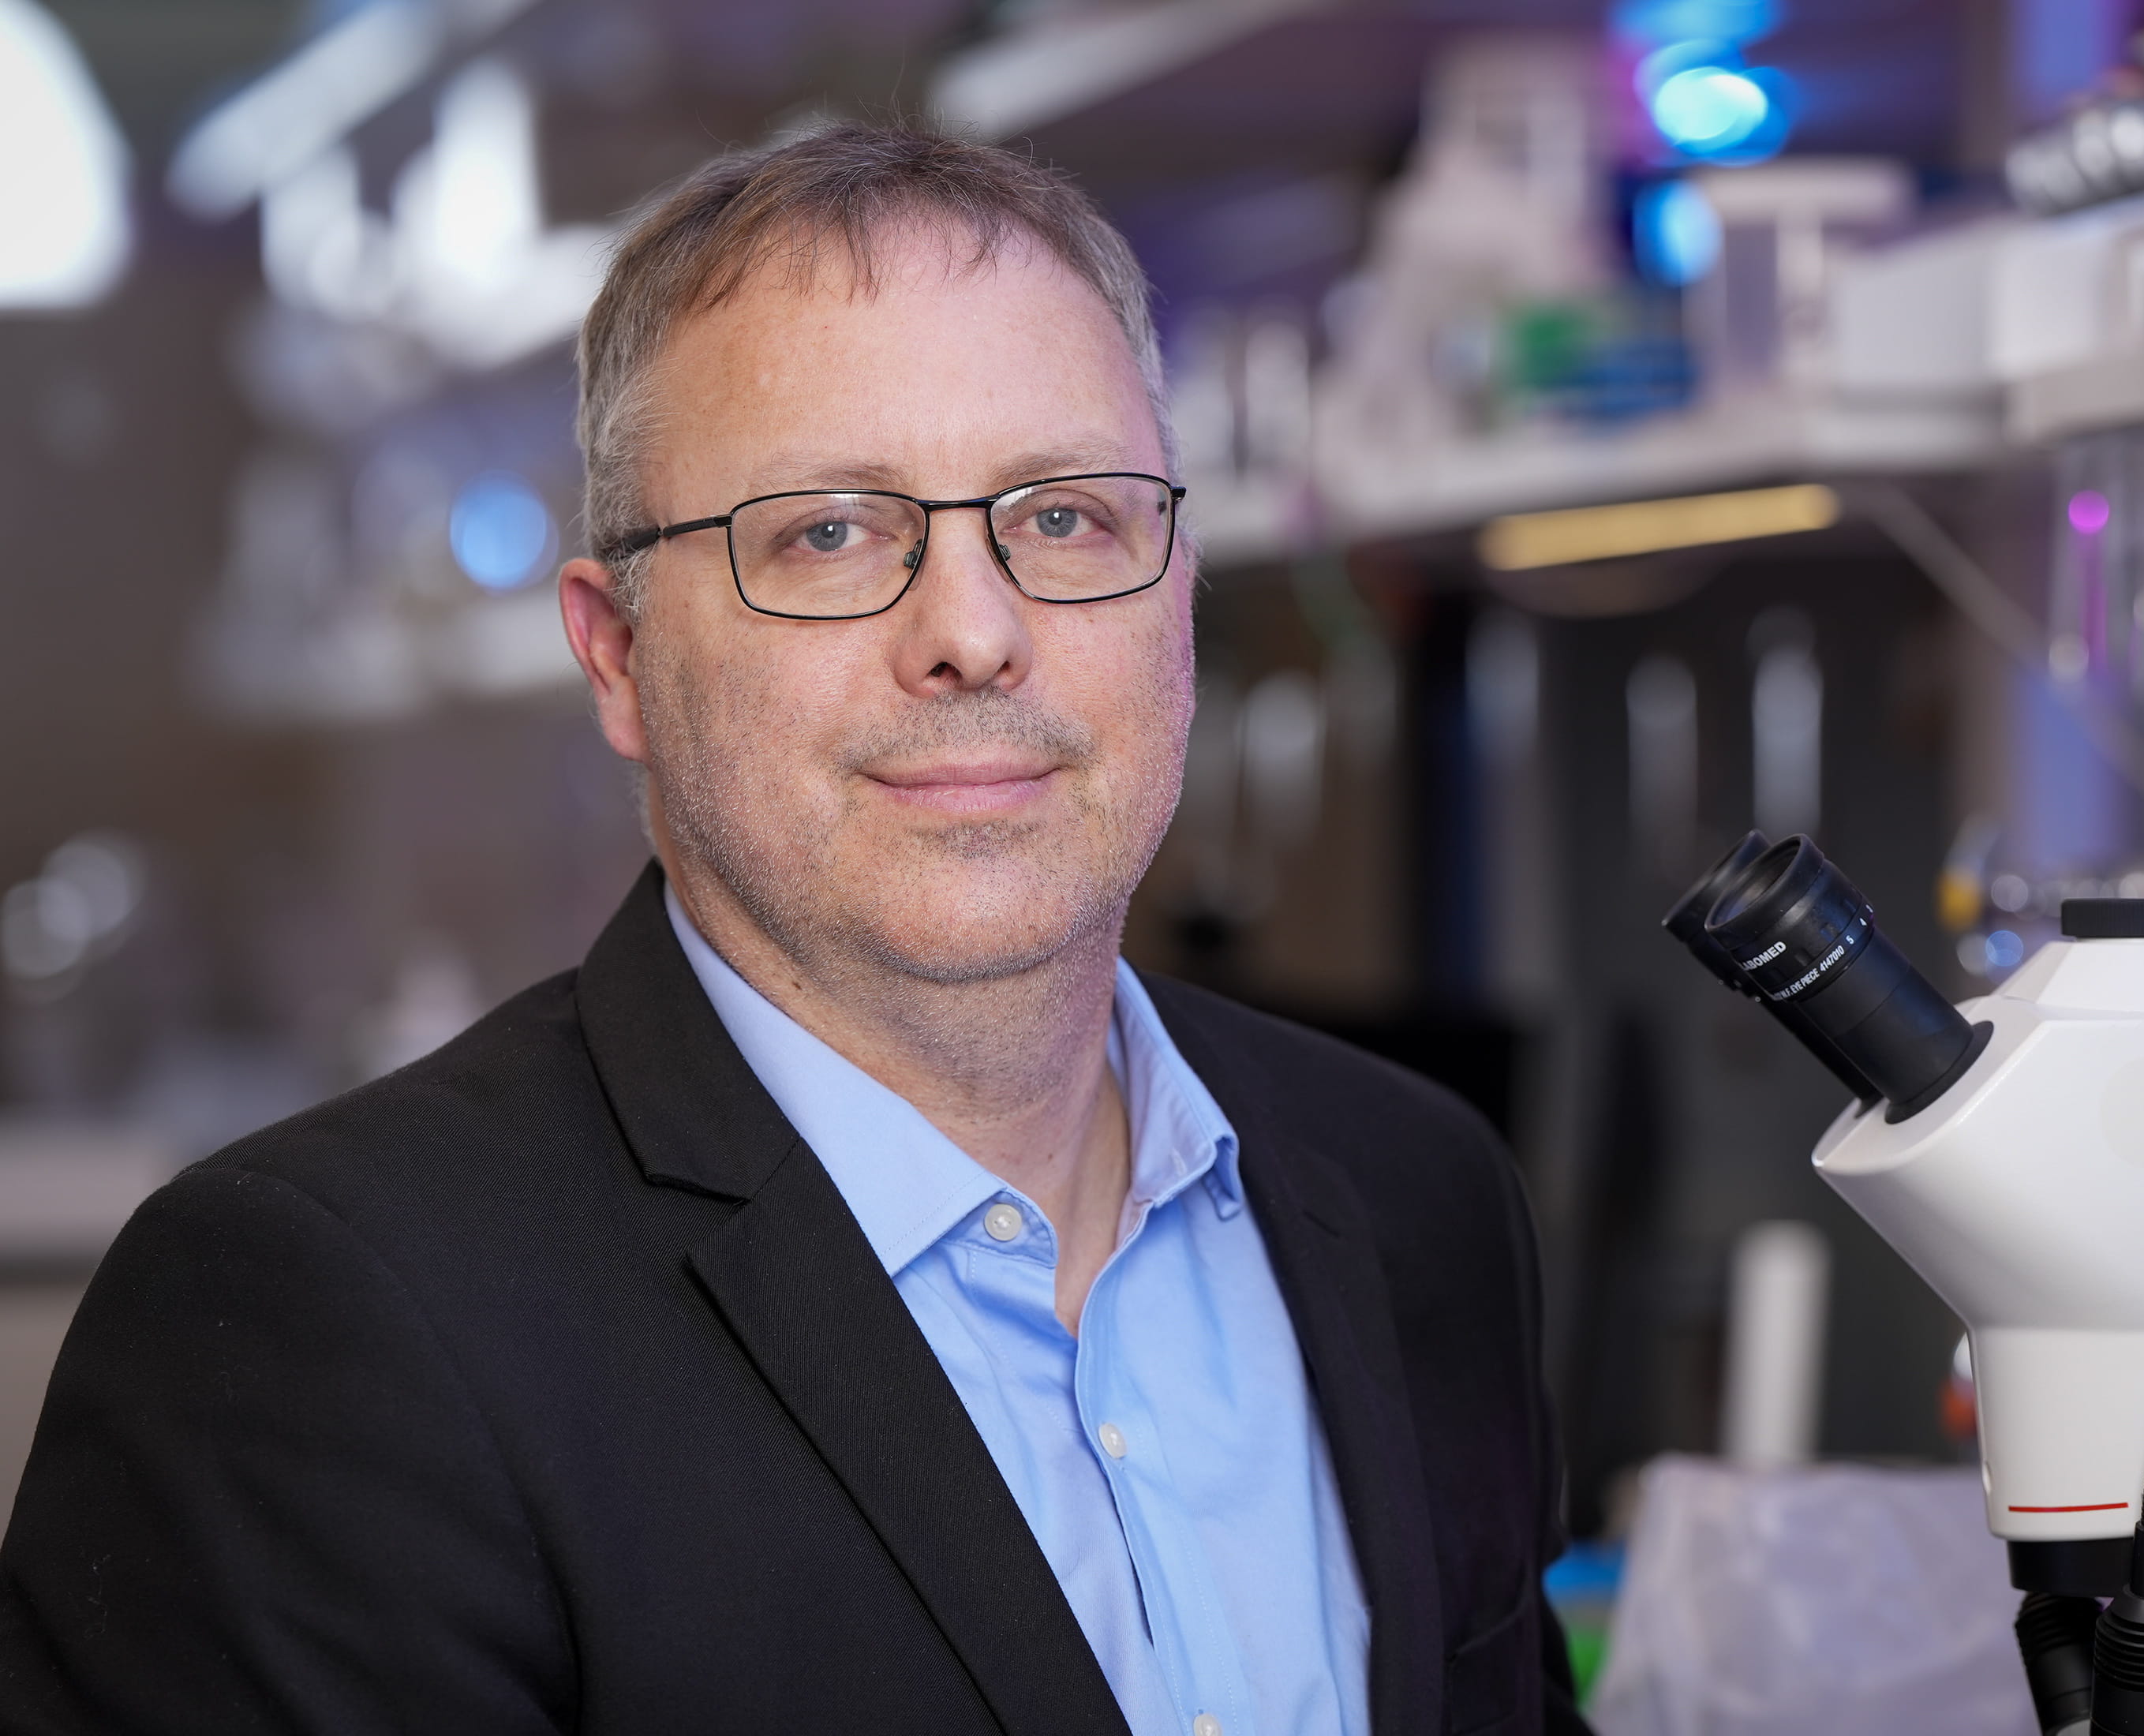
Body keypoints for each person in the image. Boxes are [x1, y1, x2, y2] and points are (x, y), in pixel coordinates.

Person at [0, 125, 1586, 1736]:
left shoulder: (1417, 1196)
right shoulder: (318, 1324)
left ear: (1175, 589)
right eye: (829, 532)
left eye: (1063, 517)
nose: (974, 631)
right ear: (616, 654)